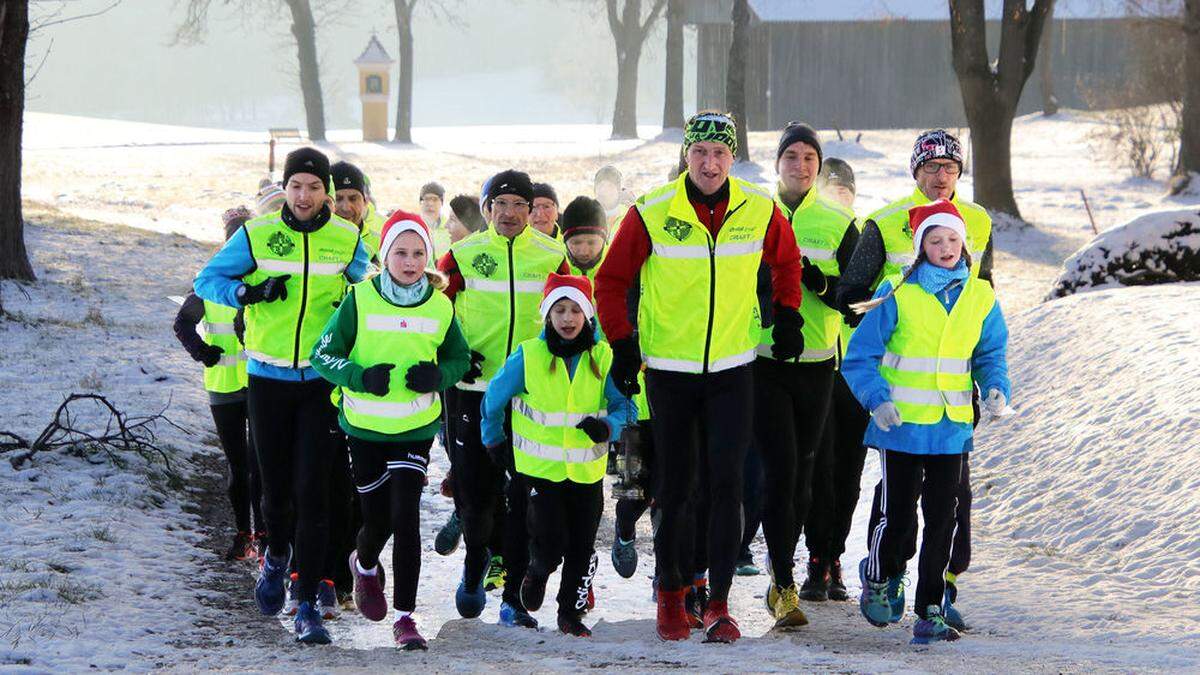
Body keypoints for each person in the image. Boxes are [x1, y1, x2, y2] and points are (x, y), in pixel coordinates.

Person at [595, 111, 803, 643]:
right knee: (676, 487)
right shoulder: (651, 212)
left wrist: (788, 315)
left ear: (732, 157)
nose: (710, 163)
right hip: (669, 372)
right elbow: (612, 279)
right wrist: (622, 343)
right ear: (685, 156)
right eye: (700, 153)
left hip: (734, 369)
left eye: (719, 153)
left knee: (726, 487)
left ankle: (718, 603)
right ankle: (670, 594)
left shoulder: (759, 209)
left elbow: (787, 262)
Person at [194, 147, 372, 645]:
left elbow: (371, 292)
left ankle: (308, 603)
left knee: (313, 495)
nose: (304, 195)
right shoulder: (257, 234)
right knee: (275, 495)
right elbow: (207, 279)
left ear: (327, 195)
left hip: (321, 382)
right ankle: (275, 555)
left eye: (314, 188)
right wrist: (249, 294)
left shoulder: (347, 239)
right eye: (296, 186)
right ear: (286, 190)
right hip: (267, 380)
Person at [837, 129, 992, 629]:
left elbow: (982, 295)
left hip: (950, 394)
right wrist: (891, 322)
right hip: (898, 393)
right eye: (931, 167)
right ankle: (888, 569)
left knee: (953, 500)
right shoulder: (884, 224)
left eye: (950, 168)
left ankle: (940, 589)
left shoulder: (979, 222)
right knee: (899, 502)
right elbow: (852, 295)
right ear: (915, 172)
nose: (940, 176)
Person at [311, 212, 469, 650]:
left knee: (406, 519)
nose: (410, 260)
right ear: (385, 256)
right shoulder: (359, 299)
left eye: (419, 252)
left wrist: (438, 377)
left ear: (428, 256)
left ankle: (405, 618)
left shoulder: (440, 306)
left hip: (415, 428)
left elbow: (459, 358)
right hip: (364, 428)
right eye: (400, 252)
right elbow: (323, 355)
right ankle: (363, 564)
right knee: (377, 518)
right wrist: (360, 377)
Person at [437, 169, 570, 629]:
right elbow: (433, 310)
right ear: (487, 208)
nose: (510, 213)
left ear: (533, 211)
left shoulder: (555, 254)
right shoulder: (462, 255)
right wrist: (454, 353)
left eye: (520, 205)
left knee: (522, 498)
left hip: (531, 396)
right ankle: (475, 564)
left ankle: (512, 597)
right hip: (472, 393)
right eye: (501, 204)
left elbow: (572, 312)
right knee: (475, 494)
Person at [481, 274, 632, 636]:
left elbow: (628, 406)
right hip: (539, 472)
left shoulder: (603, 356)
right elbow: (493, 399)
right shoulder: (529, 355)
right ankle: (537, 570)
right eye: (559, 310)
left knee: (581, 545)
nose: (567, 318)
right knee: (549, 541)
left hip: (585, 473)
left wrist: (608, 427)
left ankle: (570, 614)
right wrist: (493, 439)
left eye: (575, 310)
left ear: (587, 315)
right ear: (548, 316)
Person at [753, 123, 859, 628]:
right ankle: (783, 581)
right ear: (777, 163)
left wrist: (819, 281)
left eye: (809, 158)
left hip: (817, 365)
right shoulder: (751, 215)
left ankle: (793, 569)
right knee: (781, 471)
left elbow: (859, 302)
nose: (799, 165)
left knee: (807, 475)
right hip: (761, 361)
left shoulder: (838, 223)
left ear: (819, 167)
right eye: (790, 156)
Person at [175, 206, 262, 562]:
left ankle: (266, 537)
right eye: (232, 239)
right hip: (223, 384)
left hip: (260, 385)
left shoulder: (262, 282)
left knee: (261, 466)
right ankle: (244, 534)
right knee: (238, 467)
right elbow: (182, 323)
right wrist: (201, 351)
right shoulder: (209, 283)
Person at [801, 156, 867, 604]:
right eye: (833, 187)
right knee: (818, 470)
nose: (839, 195)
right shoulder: (817, 227)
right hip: (822, 367)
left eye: (847, 188)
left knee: (849, 473)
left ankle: (836, 555)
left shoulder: (863, 233)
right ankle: (815, 557)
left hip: (858, 372)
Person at [332, 161, 383, 257]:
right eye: (338, 199)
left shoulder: (381, 243)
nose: (346, 207)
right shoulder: (310, 239)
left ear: (365, 201)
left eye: (353, 199)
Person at [560, 196, 608, 282]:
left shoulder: (619, 267)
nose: (584, 252)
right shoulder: (553, 266)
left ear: (604, 240)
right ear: (565, 241)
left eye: (592, 242)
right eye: (576, 243)